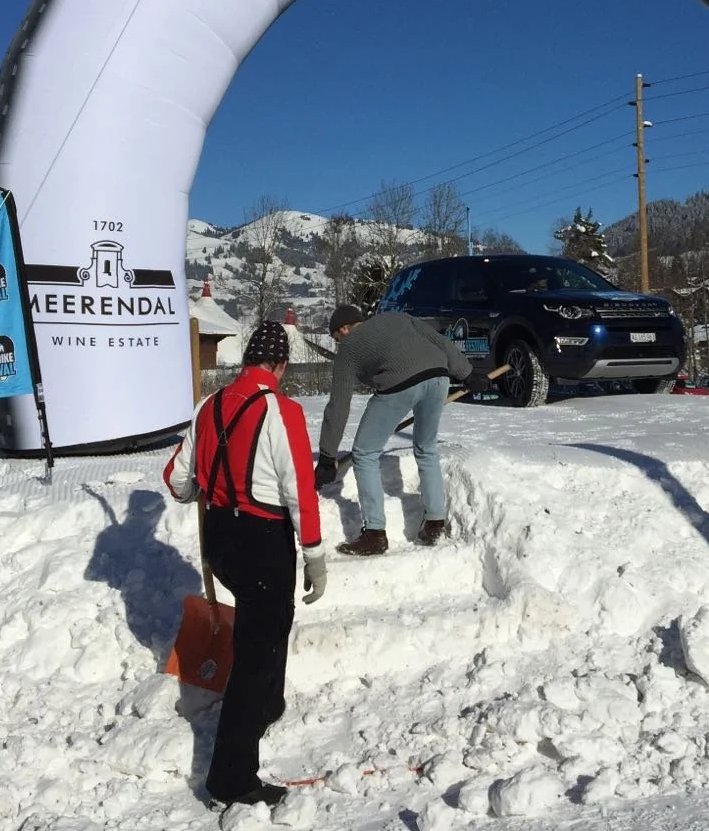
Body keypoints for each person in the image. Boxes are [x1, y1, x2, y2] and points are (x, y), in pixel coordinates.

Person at [162, 322, 325, 813]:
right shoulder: (283, 410)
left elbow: (176, 479)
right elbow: (300, 488)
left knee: (272, 623)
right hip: (262, 541)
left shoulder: (208, 406)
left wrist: (201, 488)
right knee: (257, 649)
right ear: (280, 366)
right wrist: (315, 555)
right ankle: (232, 778)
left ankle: (265, 707)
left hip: (220, 538)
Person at [314, 304, 489, 556]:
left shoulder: (349, 347)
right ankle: (435, 523)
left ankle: (374, 534)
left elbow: (338, 406)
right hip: (439, 378)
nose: (338, 342)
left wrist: (327, 456)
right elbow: (439, 340)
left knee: (364, 453)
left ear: (343, 328)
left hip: (399, 384)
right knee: (426, 448)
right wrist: (468, 373)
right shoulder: (397, 318)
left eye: (336, 337)